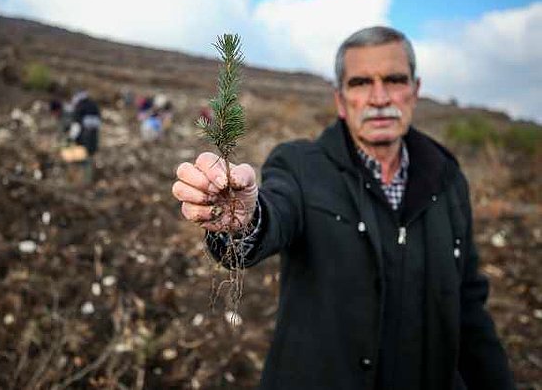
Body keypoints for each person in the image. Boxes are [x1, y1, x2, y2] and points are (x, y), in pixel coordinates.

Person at [171, 26, 515, 390]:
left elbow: (470, 310)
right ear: (340, 99)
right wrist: (244, 221)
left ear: (415, 91)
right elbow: (275, 213)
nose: (379, 97)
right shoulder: (301, 166)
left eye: (394, 80)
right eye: (361, 82)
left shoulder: (448, 180)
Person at [64, 91, 101, 183]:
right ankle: (88, 179)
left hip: (84, 137)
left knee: (81, 159)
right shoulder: (93, 105)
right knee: (90, 157)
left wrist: (71, 138)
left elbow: (76, 125)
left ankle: (81, 180)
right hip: (93, 137)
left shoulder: (80, 107)